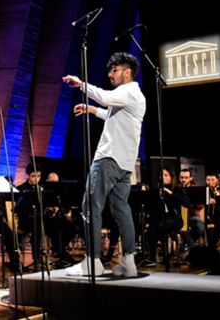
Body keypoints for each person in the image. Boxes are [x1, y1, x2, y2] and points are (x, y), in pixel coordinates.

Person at [63, 52, 146, 278]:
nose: (110, 74)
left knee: (90, 206)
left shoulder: (125, 91)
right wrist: (91, 110)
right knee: (121, 209)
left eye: (115, 70)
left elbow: (106, 98)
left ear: (127, 73)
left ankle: (92, 261)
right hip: (125, 163)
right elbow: (112, 113)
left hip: (108, 158)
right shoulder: (135, 95)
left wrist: (81, 84)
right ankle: (129, 262)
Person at [146, 167, 189, 265]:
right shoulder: (157, 190)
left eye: (166, 175)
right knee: (152, 228)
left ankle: (166, 256)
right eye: (161, 175)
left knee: (162, 225)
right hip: (160, 218)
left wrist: (171, 193)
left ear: (171, 177)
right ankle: (153, 257)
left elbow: (186, 203)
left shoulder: (178, 190)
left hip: (175, 219)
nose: (163, 178)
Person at [14, 163, 45, 269]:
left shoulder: (42, 189)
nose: (36, 179)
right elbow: (18, 208)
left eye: (39, 176)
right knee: (36, 226)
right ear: (28, 175)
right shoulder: (21, 188)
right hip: (25, 219)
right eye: (33, 176)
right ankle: (36, 258)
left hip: (38, 217)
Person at [179, 168, 205, 250]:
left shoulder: (195, 188)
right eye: (181, 178)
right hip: (179, 215)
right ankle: (193, 248)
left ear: (191, 178)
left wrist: (192, 201)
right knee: (182, 228)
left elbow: (201, 206)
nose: (183, 180)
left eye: (186, 178)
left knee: (200, 226)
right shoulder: (176, 188)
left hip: (191, 215)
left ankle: (188, 244)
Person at [205, 172, 220, 250]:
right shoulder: (204, 190)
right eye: (208, 180)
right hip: (206, 214)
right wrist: (207, 201)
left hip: (218, 214)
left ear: (217, 180)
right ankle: (211, 243)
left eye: (212, 180)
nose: (210, 182)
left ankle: (213, 243)